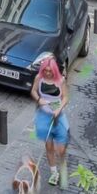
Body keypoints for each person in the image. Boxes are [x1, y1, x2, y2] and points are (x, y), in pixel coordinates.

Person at [31, 54, 71, 187]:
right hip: (45, 116)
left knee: (61, 149)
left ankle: (63, 168)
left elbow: (65, 97)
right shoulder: (39, 78)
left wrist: (59, 109)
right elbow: (33, 91)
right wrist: (39, 99)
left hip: (58, 116)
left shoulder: (61, 81)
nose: (47, 73)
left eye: (50, 71)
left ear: (54, 70)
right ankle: (54, 173)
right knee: (49, 146)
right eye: (45, 70)